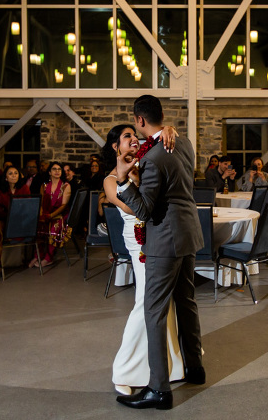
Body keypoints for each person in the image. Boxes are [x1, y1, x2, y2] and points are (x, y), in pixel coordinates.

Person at [115, 95, 204, 410]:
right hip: (189, 232)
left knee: (154, 312)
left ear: (139, 120)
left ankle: (159, 389)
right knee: (186, 302)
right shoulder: (184, 144)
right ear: (161, 116)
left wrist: (123, 180)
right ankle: (195, 368)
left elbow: (144, 210)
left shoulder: (152, 157)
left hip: (165, 240)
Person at [102, 124, 184, 396]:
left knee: (162, 301)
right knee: (146, 302)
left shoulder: (145, 164)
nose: (134, 139)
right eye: (127, 136)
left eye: (134, 134)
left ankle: (170, 365)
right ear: (115, 146)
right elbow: (134, 208)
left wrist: (168, 129)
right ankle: (125, 370)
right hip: (138, 240)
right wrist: (133, 180)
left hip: (158, 236)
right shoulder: (111, 180)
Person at [0, 165, 31, 278]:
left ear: (19, 176)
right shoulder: (2, 191)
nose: (13, 175)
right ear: (6, 177)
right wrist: (11, 211)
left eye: (16, 173)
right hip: (7, 221)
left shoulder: (24, 188)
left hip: (20, 223)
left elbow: (27, 208)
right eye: (10, 173)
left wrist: (9, 210)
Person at [31, 162, 71, 268]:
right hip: (46, 213)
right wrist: (41, 214)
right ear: (49, 172)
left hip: (60, 214)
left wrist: (51, 215)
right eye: (54, 169)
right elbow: (41, 203)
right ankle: (38, 255)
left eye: (59, 169)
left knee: (54, 227)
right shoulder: (44, 186)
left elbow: (64, 205)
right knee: (37, 226)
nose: (57, 171)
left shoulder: (66, 186)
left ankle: (48, 258)